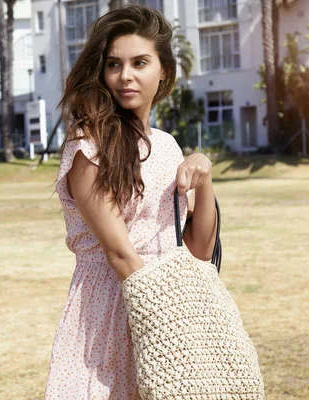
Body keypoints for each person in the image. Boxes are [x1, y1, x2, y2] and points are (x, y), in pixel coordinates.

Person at [44, 5, 219, 399]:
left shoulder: (167, 146)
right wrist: (163, 323)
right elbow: (119, 254)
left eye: (140, 62)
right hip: (112, 309)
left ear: (164, 72)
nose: (125, 76)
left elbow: (198, 250)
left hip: (166, 303)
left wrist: (204, 178)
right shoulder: (88, 147)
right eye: (113, 64)